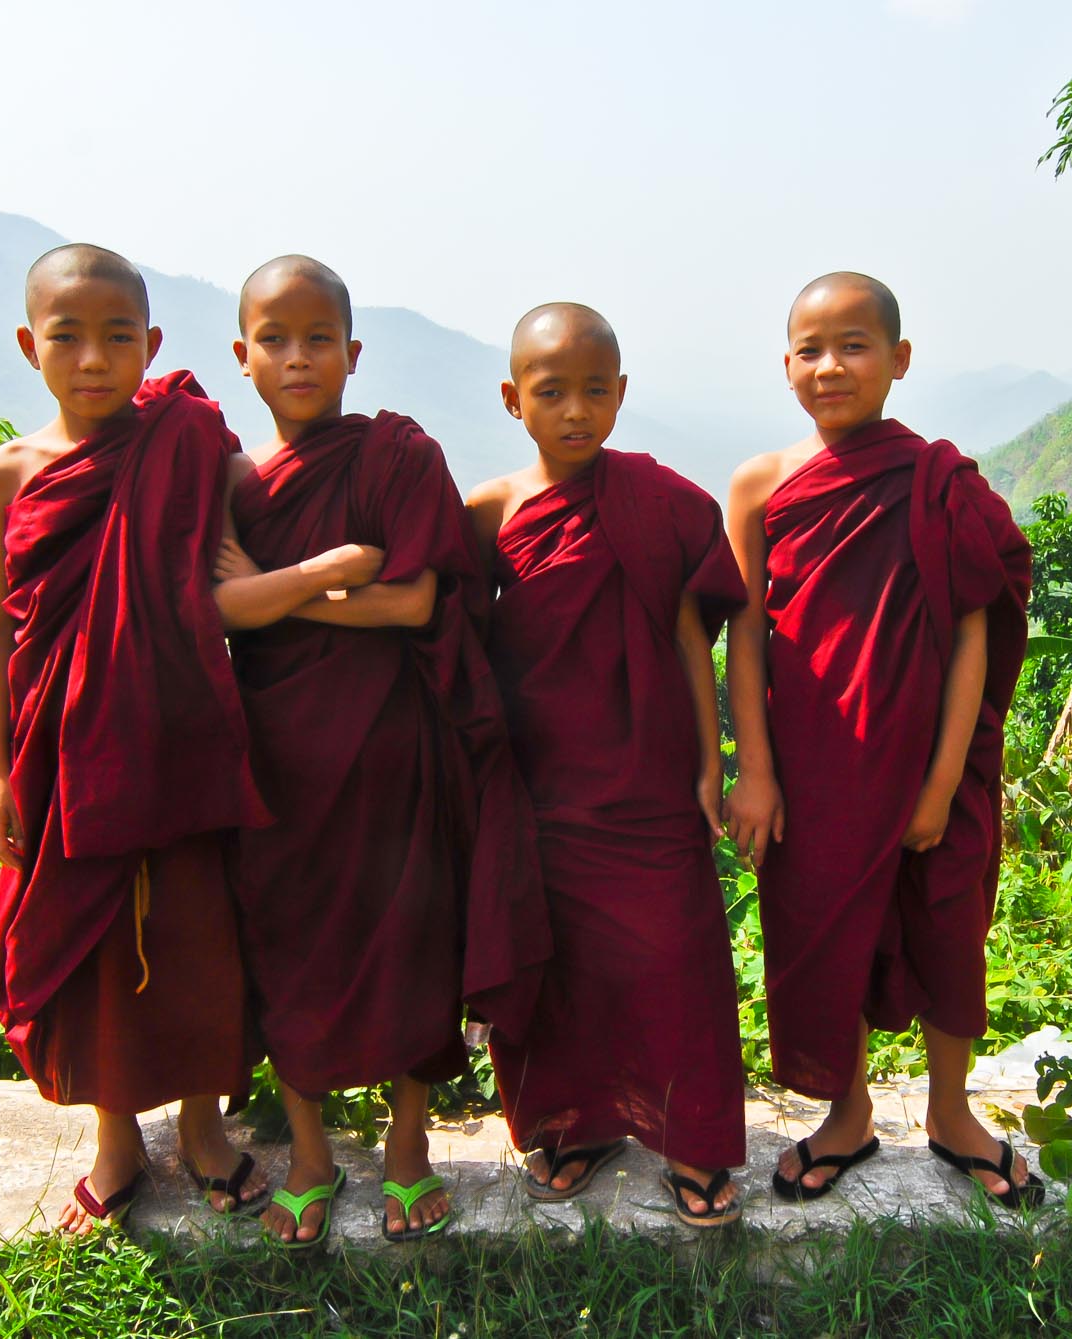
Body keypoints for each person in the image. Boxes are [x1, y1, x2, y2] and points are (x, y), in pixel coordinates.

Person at [0, 244, 316, 1230]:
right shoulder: (5, 475)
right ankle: (117, 1140)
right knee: (82, 951)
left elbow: (247, 552)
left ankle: (204, 1128)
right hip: (58, 746)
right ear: (29, 343)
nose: (92, 359)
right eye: (68, 337)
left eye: (117, 337)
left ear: (151, 344)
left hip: (182, 733)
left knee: (197, 937)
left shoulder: (189, 441)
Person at [212, 255, 548, 1247]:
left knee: (410, 935)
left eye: (318, 338)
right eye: (273, 338)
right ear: (241, 356)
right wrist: (328, 571)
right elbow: (215, 609)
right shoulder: (233, 481)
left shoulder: (398, 454)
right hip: (275, 745)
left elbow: (413, 600)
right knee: (284, 935)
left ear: (353, 354)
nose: (297, 356)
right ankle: (310, 1151)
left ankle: (407, 1146)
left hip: (393, 740)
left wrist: (279, 586)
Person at [723, 272, 1039, 1208]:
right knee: (824, 941)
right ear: (785, 365)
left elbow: (975, 632)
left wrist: (943, 782)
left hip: (931, 761)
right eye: (811, 350)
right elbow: (746, 633)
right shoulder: (759, 485)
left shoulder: (940, 482)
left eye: (855, 346)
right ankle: (849, 1113)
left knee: (949, 934)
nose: (831, 367)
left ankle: (951, 1111)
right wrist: (757, 773)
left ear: (899, 361)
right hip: (814, 769)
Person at [466, 304, 748, 1229]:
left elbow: (685, 635)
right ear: (514, 399)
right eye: (552, 393)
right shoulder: (490, 511)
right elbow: (451, 636)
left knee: (678, 953)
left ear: (622, 394)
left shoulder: (661, 504)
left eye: (596, 391)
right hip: (540, 783)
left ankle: (695, 1135)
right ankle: (578, 1124)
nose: (577, 411)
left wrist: (710, 762)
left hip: (647, 775)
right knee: (561, 960)